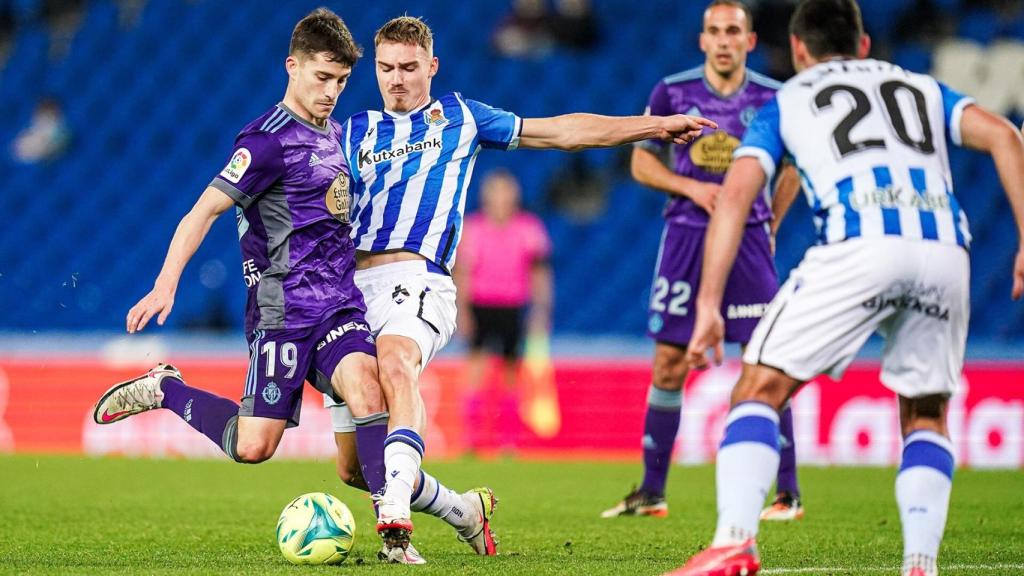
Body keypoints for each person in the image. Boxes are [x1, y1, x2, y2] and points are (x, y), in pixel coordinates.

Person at [89, 10, 487, 564]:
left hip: (340, 305)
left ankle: (396, 538)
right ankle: (167, 389)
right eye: (322, 79)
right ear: (292, 67)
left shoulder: (336, 138)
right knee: (254, 446)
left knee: (368, 387)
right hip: (281, 313)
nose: (332, 93)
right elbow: (201, 213)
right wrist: (165, 284)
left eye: (342, 81)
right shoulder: (266, 143)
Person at [322, 14, 716, 561]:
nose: (396, 79)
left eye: (409, 68)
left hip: (417, 276)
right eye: (386, 68)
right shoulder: (352, 130)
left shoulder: (459, 117)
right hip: (349, 290)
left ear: (431, 67)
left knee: (397, 363)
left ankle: (396, 518)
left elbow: (562, 131)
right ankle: (463, 510)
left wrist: (650, 127)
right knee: (353, 468)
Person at [673, 1, 1024, 575]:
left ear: (800, 53)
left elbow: (737, 196)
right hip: (944, 249)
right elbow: (1007, 136)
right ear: (864, 46)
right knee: (926, 414)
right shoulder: (919, 86)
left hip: (861, 242)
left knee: (757, 388)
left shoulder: (788, 99)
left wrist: (710, 303)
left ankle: (734, 539)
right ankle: (919, 564)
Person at [600, 0, 802, 522]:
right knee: (669, 362)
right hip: (687, 236)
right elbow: (642, 161)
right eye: (714, 31)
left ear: (750, 41)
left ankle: (787, 494)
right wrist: (689, 186)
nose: (724, 40)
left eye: (734, 31)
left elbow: (795, 168)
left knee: (764, 358)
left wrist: (772, 221)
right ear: (702, 40)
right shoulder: (673, 91)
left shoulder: (776, 98)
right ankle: (652, 492)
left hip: (751, 243)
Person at [455, 168, 553, 451]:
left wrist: (541, 309)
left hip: (513, 306)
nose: (500, 198)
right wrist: (461, 312)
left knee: (512, 374)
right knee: (475, 371)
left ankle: (509, 441)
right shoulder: (473, 228)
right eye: (495, 192)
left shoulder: (528, 227)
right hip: (481, 305)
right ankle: (471, 440)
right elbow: (461, 273)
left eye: (505, 191)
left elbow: (540, 273)